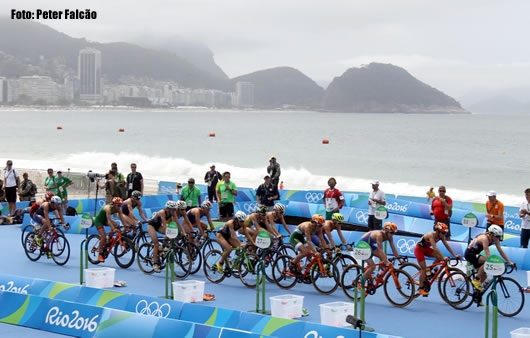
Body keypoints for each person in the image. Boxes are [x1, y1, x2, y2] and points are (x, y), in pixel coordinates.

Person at [414, 222, 461, 296]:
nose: (444, 235)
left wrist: (455, 255)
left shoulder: (441, 236)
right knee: (423, 269)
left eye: (445, 233)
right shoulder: (430, 235)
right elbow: (435, 248)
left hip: (426, 249)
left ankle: (429, 270)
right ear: (438, 231)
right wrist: (443, 257)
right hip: (419, 249)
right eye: (443, 233)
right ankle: (420, 288)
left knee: (438, 258)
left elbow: (447, 246)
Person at [465, 225, 513, 291]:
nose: (498, 239)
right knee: (487, 261)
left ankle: (477, 297)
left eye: (499, 237)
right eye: (497, 237)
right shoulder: (484, 238)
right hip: (469, 254)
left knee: (484, 278)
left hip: (476, 254)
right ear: (492, 234)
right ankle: (476, 279)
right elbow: (487, 254)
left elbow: (500, 251)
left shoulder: (494, 238)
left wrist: (510, 262)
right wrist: (493, 262)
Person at [147, 200, 184, 272]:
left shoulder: (173, 213)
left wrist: (183, 232)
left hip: (159, 226)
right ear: (168, 209)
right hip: (152, 226)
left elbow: (177, 223)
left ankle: (163, 247)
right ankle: (155, 264)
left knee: (175, 232)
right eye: (173, 209)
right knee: (156, 244)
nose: (174, 211)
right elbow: (164, 225)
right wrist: (170, 236)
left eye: (175, 209)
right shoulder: (162, 212)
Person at [93, 197, 124, 263]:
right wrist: (113, 229)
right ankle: (100, 253)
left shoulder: (119, 209)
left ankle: (109, 239)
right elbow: (109, 221)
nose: (119, 207)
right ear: (114, 204)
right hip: (99, 221)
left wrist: (126, 226)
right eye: (118, 205)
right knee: (103, 236)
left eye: (120, 205)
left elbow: (121, 217)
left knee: (116, 224)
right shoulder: (108, 208)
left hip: (105, 220)